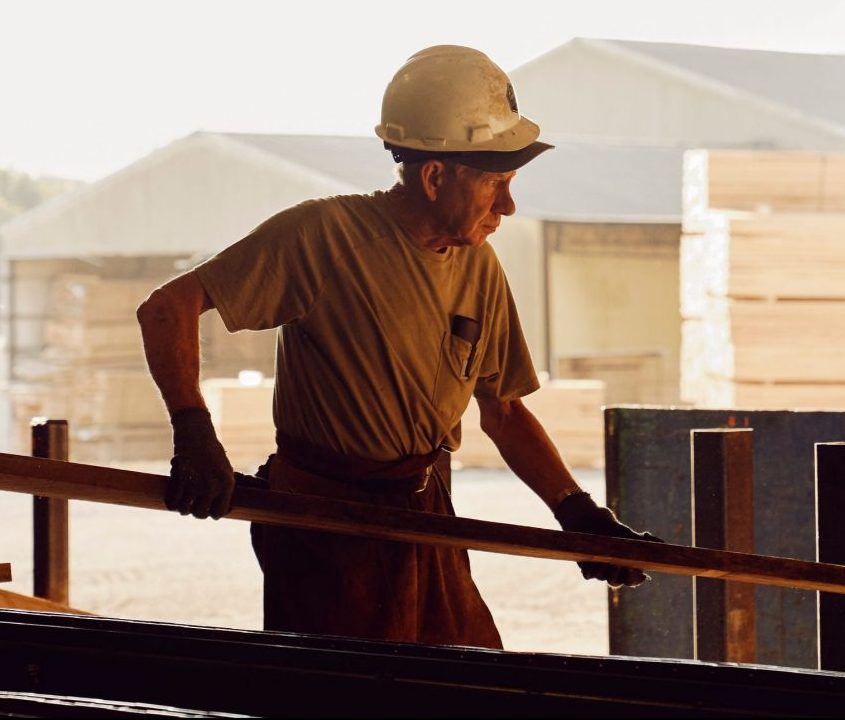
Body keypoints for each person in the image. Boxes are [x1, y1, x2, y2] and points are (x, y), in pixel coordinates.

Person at [136, 44, 660, 650]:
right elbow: (165, 309)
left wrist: (577, 512)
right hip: (325, 526)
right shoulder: (322, 236)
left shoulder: (479, 267)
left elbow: (506, 411)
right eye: (496, 183)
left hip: (426, 516)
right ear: (436, 176)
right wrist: (194, 432)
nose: (509, 206)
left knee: (468, 685)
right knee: (349, 696)